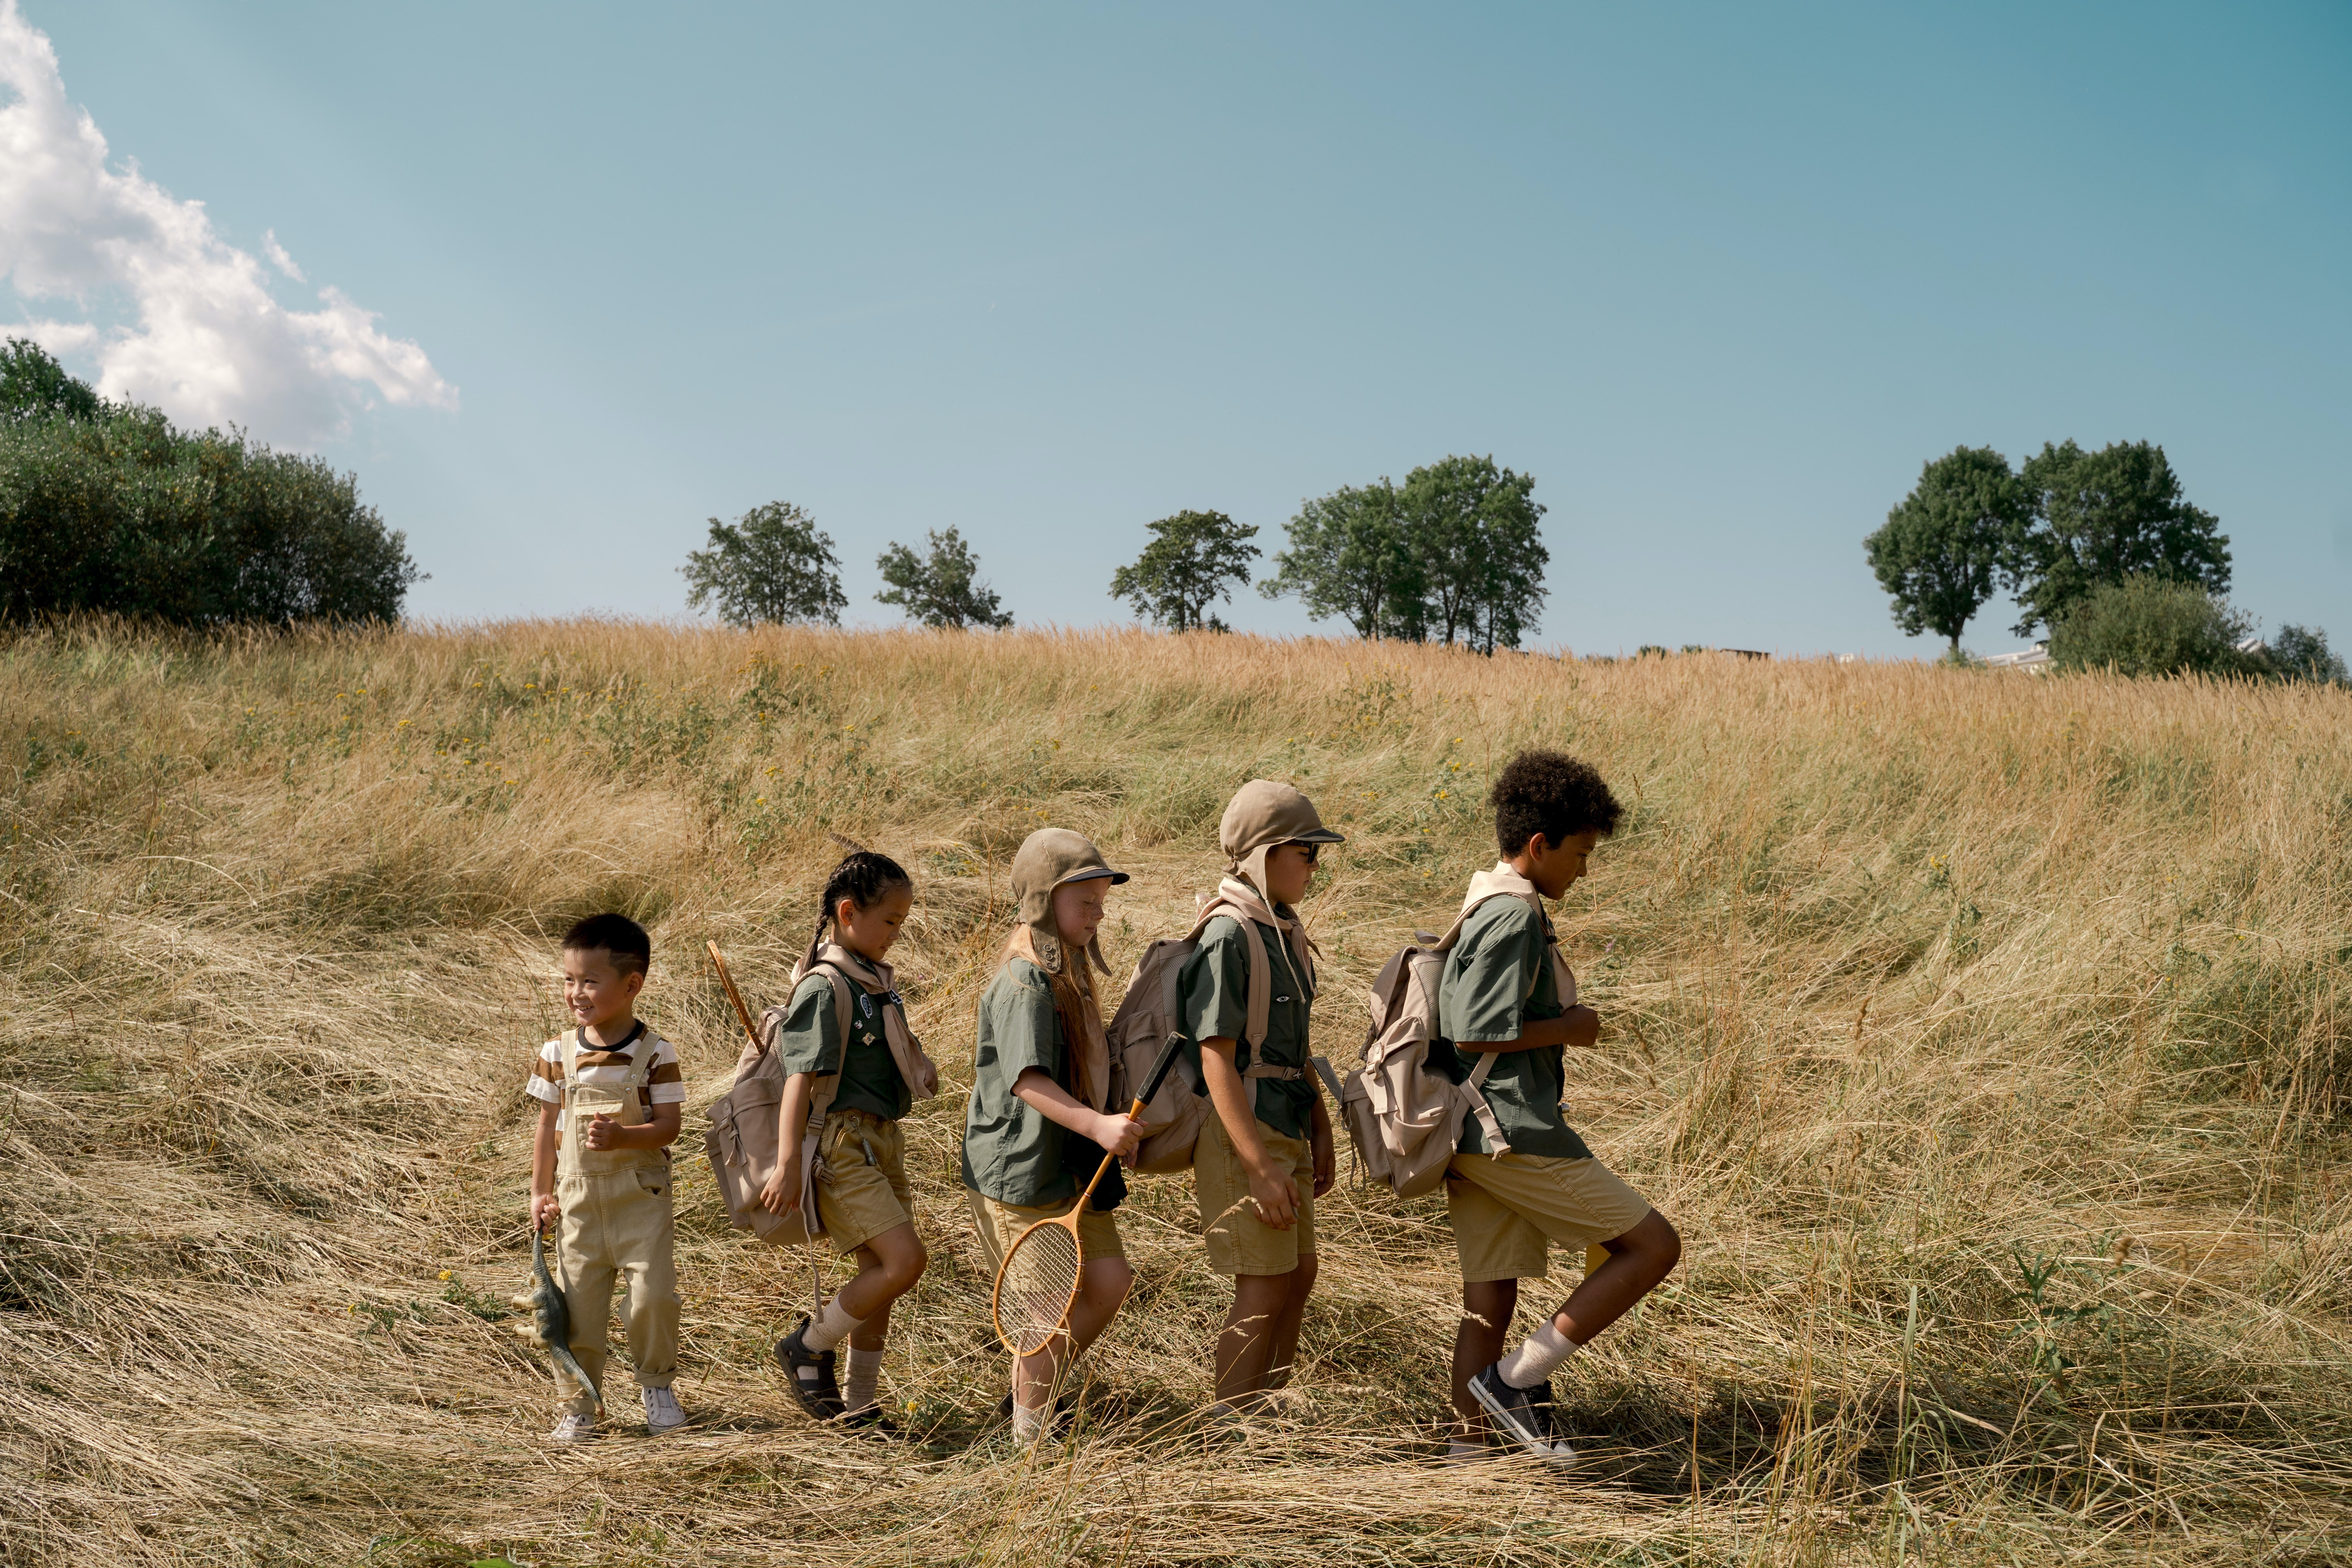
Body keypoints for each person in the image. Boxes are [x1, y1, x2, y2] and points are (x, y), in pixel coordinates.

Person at [1443, 751, 1681, 1465]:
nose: (1585, 870)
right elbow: (1475, 1030)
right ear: (1540, 846)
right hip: (1512, 1129)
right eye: (1580, 854)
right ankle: (1518, 1382)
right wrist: (1572, 1028)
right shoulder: (1514, 915)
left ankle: (1469, 1460)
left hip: (1469, 1130)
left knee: (1490, 1298)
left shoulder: (1485, 897)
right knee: (1652, 1247)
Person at [961, 829, 1143, 1446]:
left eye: (1101, 904)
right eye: (1084, 903)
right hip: (1023, 1169)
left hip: (1068, 1163)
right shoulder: (1026, 981)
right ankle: (1029, 1448)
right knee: (1043, 1312)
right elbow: (1027, 1082)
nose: (1096, 916)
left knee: (1110, 1282)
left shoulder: (1069, 966)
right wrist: (1098, 1125)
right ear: (1042, 902)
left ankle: (1030, 1391)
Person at [1180, 780, 1342, 1425]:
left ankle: (1263, 1417)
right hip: (1243, 1134)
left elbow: (1293, 1050)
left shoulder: (1284, 929)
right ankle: (1230, 1434)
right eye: (1307, 852)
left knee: (1297, 1276)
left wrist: (1321, 1128)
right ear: (1267, 853)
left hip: (1287, 1127)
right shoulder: (1228, 933)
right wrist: (1258, 1166)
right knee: (1264, 1284)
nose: (1314, 867)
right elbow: (1216, 1055)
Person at [768, 851, 940, 1431]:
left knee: (880, 1275)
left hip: (881, 1141)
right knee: (903, 1262)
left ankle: (861, 1407)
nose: (897, 934)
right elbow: (801, 1077)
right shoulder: (827, 985)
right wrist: (789, 1161)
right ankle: (807, 1345)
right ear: (848, 913)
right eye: (891, 920)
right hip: (843, 1146)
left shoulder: (873, 983)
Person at [525, 913, 689, 1442]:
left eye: (590, 981)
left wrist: (624, 1138)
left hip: (641, 1201)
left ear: (632, 984)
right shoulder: (557, 1054)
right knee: (578, 1309)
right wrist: (540, 1192)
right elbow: (547, 1127)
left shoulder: (656, 1053)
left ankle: (656, 1386)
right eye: (569, 980)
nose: (577, 993)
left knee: (653, 1298)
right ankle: (579, 1404)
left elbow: (669, 1127)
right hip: (576, 1201)